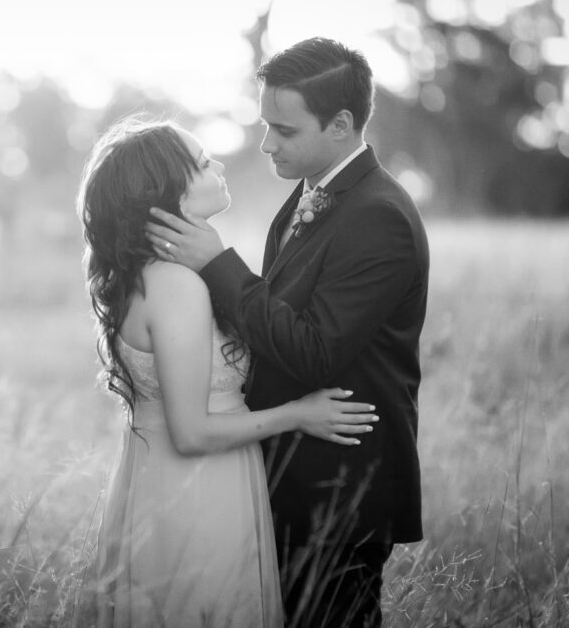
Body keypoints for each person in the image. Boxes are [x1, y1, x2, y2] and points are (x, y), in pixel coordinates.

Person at [145, 37, 430, 627]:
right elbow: (274, 318)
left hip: (339, 488)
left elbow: (315, 349)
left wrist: (217, 265)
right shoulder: (309, 193)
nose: (266, 143)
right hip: (286, 480)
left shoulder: (379, 214)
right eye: (264, 125)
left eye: (284, 130)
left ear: (341, 125)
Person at [78, 116, 381, 628]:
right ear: (165, 192)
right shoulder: (176, 286)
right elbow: (192, 432)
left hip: (161, 481)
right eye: (201, 163)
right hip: (198, 491)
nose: (218, 165)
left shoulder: (149, 276)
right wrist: (298, 414)